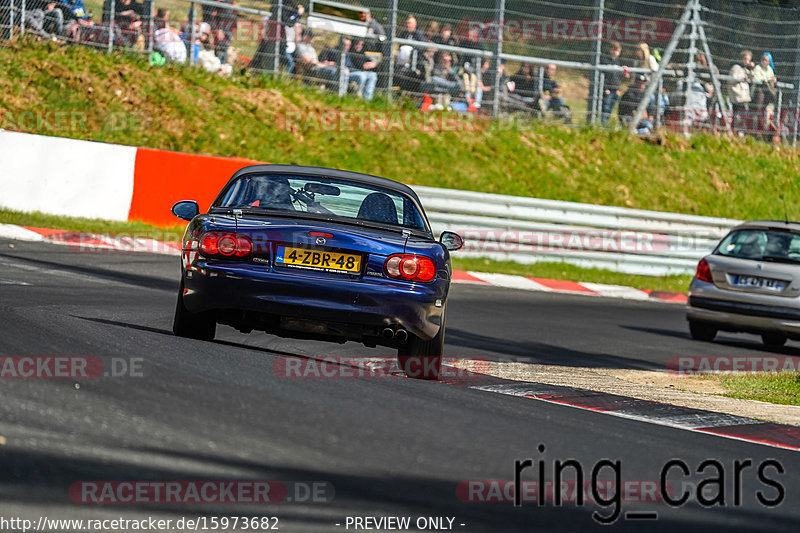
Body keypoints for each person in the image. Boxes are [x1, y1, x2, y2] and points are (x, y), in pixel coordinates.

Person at [600, 41, 626, 125]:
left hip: (615, 89)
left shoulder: (617, 61)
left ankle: (605, 123)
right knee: (605, 108)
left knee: (611, 108)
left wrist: (618, 88)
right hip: (608, 90)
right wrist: (606, 88)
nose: (617, 53)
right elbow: (604, 76)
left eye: (619, 51)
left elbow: (617, 77)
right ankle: (602, 124)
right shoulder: (605, 60)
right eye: (616, 51)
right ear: (611, 50)